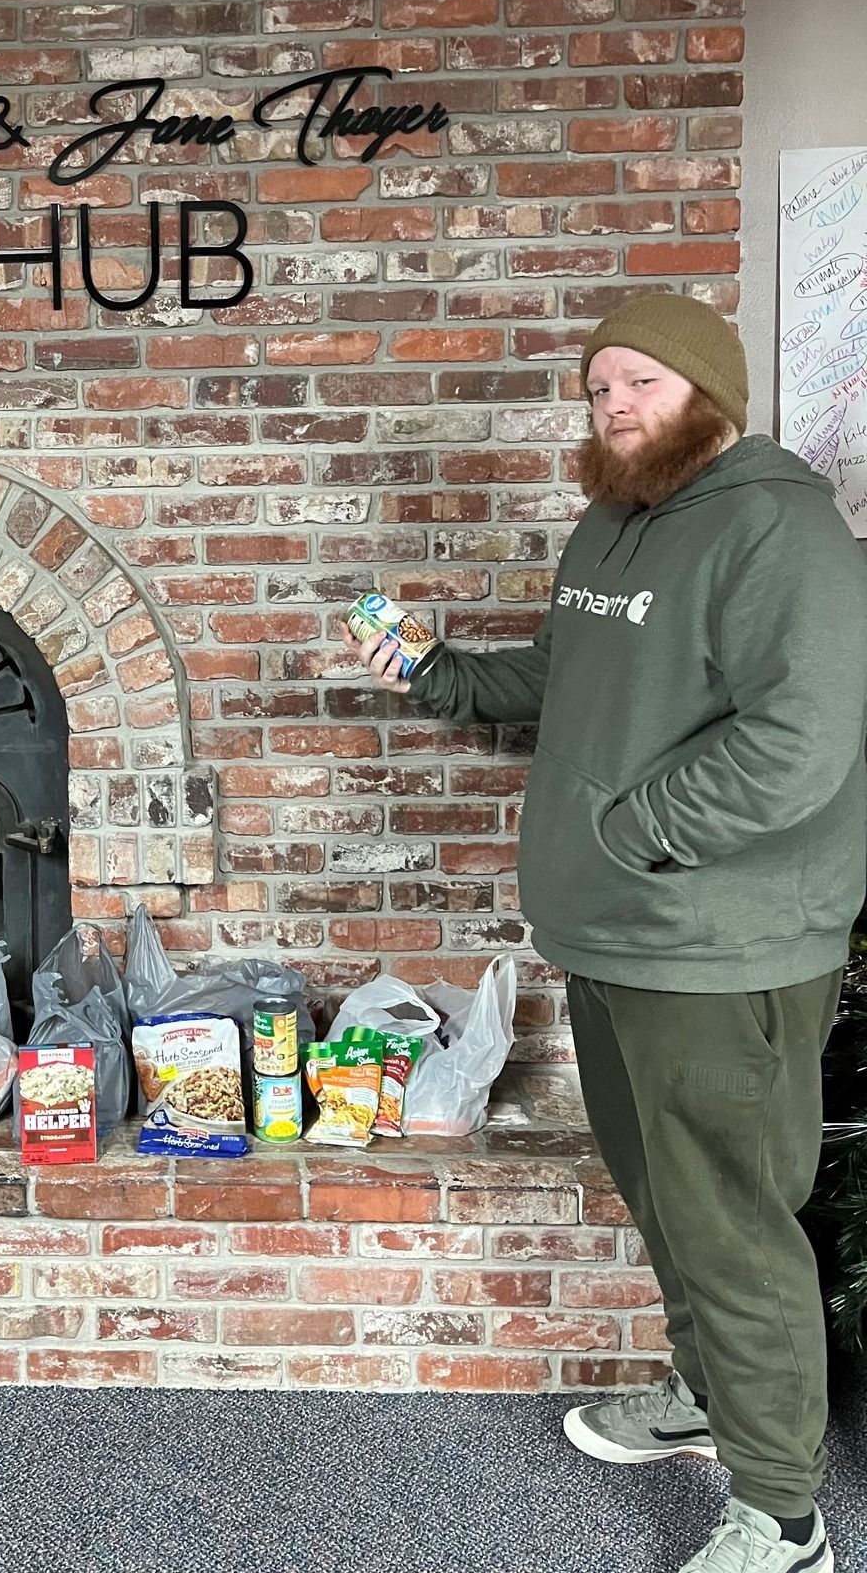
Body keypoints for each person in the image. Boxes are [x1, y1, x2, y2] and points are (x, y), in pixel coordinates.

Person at [342, 291, 865, 1573]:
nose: (613, 405)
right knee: (667, 1199)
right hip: (617, 938)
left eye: (639, 380)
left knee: (734, 1221)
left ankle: (782, 1516)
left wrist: (632, 830)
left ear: (710, 392)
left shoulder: (777, 528)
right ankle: (706, 1394)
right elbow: (573, 674)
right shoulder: (614, 524)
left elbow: (799, 740)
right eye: (596, 388)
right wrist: (442, 668)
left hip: (720, 946)